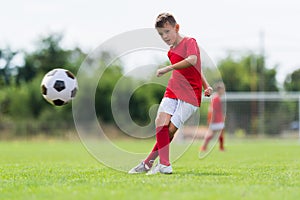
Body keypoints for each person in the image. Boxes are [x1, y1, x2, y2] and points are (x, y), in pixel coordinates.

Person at [128, 13, 212, 175]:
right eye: (160, 34)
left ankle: (148, 163)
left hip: (191, 95)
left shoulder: (190, 42)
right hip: (173, 89)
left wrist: (205, 85)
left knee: (170, 130)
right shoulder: (170, 52)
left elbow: (194, 61)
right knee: (160, 121)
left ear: (176, 28)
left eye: (167, 32)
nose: (164, 37)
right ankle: (164, 164)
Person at [200, 82, 225, 152]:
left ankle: (221, 147)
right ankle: (204, 147)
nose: (223, 91)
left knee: (219, 132)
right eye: (222, 89)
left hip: (218, 119)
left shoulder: (217, 98)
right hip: (215, 120)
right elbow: (213, 110)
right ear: (219, 90)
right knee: (212, 133)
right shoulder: (216, 98)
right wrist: (211, 120)